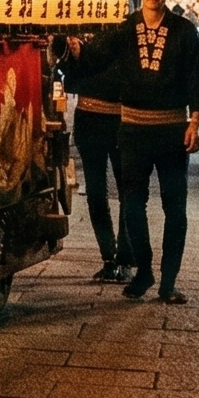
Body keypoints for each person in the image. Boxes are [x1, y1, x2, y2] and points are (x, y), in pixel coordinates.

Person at [108, 0, 199, 305]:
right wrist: (75, 50)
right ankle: (144, 270)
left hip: (171, 131)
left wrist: (194, 122)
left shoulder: (184, 31)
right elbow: (96, 59)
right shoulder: (123, 30)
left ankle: (169, 281)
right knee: (132, 205)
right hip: (134, 129)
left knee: (175, 207)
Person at [56, 27, 129, 283]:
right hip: (90, 117)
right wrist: (74, 54)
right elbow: (67, 76)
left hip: (124, 120)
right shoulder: (82, 32)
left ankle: (126, 256)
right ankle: (108, 256)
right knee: (96, 192)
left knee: (128, 191)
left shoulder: (126, 31)